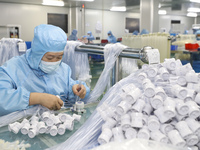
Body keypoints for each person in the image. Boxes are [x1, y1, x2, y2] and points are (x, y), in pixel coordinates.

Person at [0, 24, 90, 116]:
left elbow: (70, 88)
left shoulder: (63, 69)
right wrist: (36, 98)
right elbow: (2, 98)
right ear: (37, 53)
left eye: (59, 57)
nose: (54, 62)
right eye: (50, 58)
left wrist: (78, 90)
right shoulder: (14, 68)